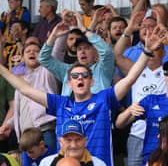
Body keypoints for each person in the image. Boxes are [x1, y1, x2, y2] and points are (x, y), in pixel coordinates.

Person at [0, 25, 165, 165]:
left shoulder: (103, 98)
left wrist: (147, 51)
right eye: (75, 76)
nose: (80, 78)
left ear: (91, 82)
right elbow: (25, 89)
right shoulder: (59, 103)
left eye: (85, 76)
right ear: (69, 83)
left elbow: (129, 79)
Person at [114, 11, 168, 166]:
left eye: (155, 48)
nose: (150, 52)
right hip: (137, 131)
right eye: (147, 49)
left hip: (163, 132)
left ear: (163, 52)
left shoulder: (167, 71)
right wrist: (129, 29)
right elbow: (117, 56)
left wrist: (163, 28)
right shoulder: (135, 70)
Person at [0, 42, 59, 151]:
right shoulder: (20, 82)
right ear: (22, 58)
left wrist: (56, 36)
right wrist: (10, 124)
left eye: (36, 51)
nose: (32, 52)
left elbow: (57, 51)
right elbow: (23, 111)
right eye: (28, 51)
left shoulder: (47, 72)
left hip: (44, 132)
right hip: (25, 137)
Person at [38, 11, 115, 96]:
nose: (82, 52)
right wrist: (53, 36)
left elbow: (107, 52)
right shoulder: (67, 70)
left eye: (86, 48)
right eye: (79, 49)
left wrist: (83, 28)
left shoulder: (103, 69)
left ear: (96, 52)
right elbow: (43, 58)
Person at [115, 60, 168, 166]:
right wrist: (130, 110)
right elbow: (119, 124)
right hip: (150, 160)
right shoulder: (151, 100)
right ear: (165, 76)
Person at [40, 119, 106, 166]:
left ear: (85, 141)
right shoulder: (46, 163)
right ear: (60, 142)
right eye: (68, 140)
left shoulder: (99, 164)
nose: (73, 145)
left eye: (78, 140)